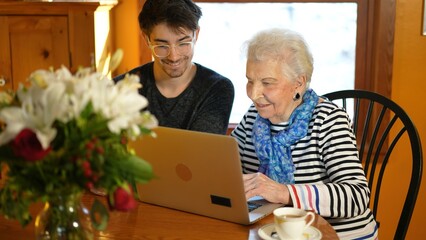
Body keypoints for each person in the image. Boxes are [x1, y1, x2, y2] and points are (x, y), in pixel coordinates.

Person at [231, 28, 378, 239]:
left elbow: (356, 197)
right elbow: (227, 170)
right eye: (250, 81)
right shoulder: (254, 117)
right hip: (275, 231)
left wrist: (284, 192)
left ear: (298, 83)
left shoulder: (328, 120)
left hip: (337, 235)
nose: (254, 94)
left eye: (267, 83)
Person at [114, 0, 234, 135]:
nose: (174, 57)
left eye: (183, 43)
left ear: (197, 34)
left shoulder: (217, 88)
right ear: (146, 39)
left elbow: (202, 152)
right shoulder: (119, 89)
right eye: (162, 46)